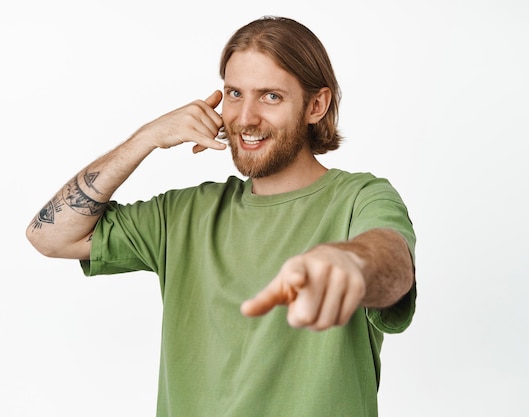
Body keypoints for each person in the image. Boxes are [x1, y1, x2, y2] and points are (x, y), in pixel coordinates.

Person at [26, 15, 416, 417]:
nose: (245, 118)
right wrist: (146, 139)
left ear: (316, 105)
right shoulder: (183, 214)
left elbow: (392, 262)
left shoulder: (359, 198)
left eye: (270, 97)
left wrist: (351, 264)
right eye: (234, 93)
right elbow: (50, 236)